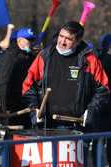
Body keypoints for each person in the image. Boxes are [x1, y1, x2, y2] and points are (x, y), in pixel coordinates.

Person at [22, 21, 110, 166]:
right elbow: (27, 86)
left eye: (68, 39)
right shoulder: (44, 56)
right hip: (47, 125)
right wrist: (34, 109)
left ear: (78, 41)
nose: (62, 41)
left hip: (77, 127)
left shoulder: (89, 60)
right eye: (61, 36)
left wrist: (91, 110)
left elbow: (104, 89)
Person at [4, 28, 36, 128]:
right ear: (19, 41)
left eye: (32, 40)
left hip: (28, 103)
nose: (31, 43)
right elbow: (4, 81)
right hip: (14, 104)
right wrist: (6, 106)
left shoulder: (31, 56)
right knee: (13, 136)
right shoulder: (11, 56)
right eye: (28, 40)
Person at [97, 33, 111, 166]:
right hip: (105, 106)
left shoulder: (97, 59)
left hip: (98, 106)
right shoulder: (106, 61)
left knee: (98, 141)